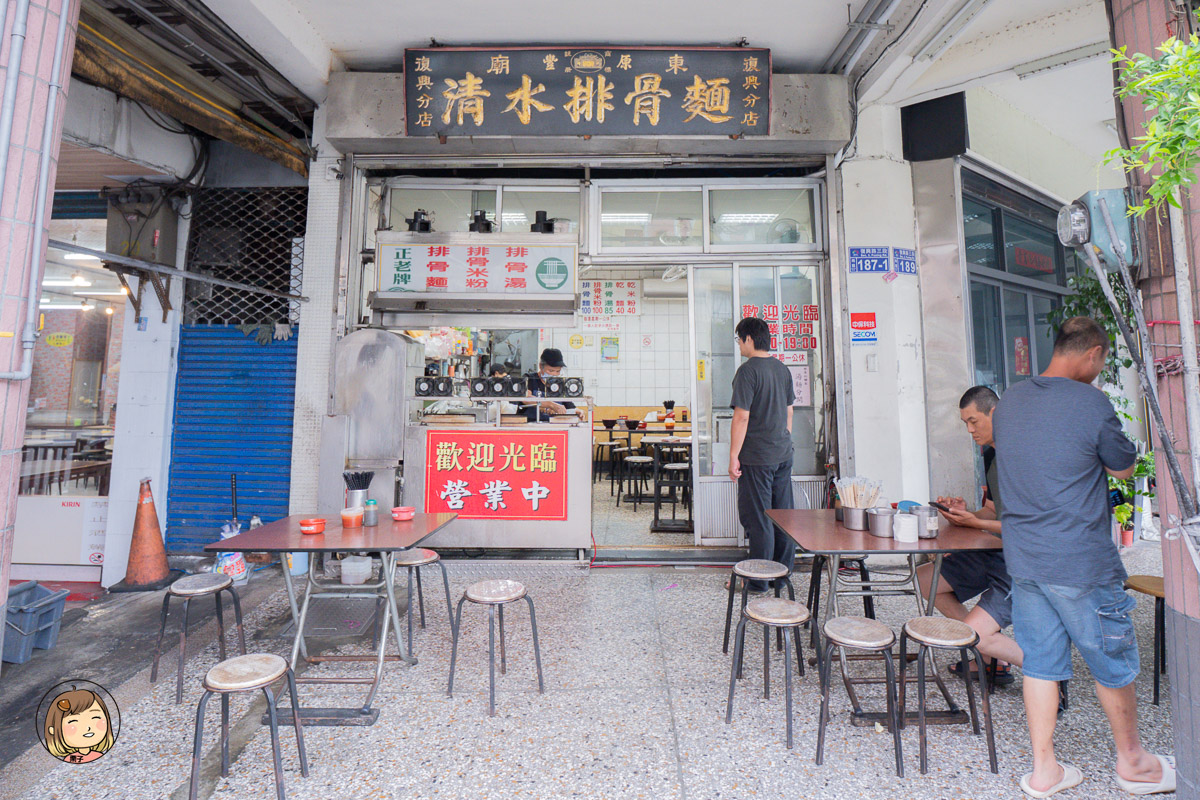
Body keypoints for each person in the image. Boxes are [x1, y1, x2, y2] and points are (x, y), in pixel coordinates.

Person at [993, 316, 1173, 798]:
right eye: (1103, 360)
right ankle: (1133, 763)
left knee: (1040, 663)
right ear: (1092, 353)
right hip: (1080, 561)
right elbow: (1123, 466)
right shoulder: (1092, 403)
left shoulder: (1009, 400)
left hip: (1026, 559)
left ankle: (1044, 770)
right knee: (1112, 659)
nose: (1101, 369)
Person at [916, 385, 1023, 685]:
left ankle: (1048, 673)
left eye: (973, 421)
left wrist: (974, 524)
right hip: (994, 552)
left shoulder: (1022, 456)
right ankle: (989, 658)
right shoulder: (992, 455)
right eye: (965, 423)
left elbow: (1026, 526)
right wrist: (966, 515)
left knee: (973, 634)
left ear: (995, 412)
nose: (969, 430)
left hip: (1021, 562)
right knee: (927, 579)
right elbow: (992, 512)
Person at [729, 317, 795, 593]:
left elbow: (742, 417)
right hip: (782, 453)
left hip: (757, 457)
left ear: (749, 339)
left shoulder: (748, 371)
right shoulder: (782, 369)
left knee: (760, 519)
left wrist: (734, 456)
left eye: (739, 340)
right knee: (783, 516)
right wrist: (784, 440)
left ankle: (758, 581)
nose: (739, 345)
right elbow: (789, 411)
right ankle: (781, 575)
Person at [44, 688, 115, 764]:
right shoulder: (70, 759)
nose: (88, 728)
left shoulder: (98, 755)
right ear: (53, 730)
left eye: (95, 718)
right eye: (73, 722)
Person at [523, 348, 582, 422]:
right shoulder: (529, 378)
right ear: (541, 366)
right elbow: (525, 398)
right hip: (531, 426)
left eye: (558, 371)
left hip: (554, 427)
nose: (554, 374)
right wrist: (551, 405)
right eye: (551, 370)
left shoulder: (560, 384)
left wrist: (577, 411)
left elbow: (569, 406)